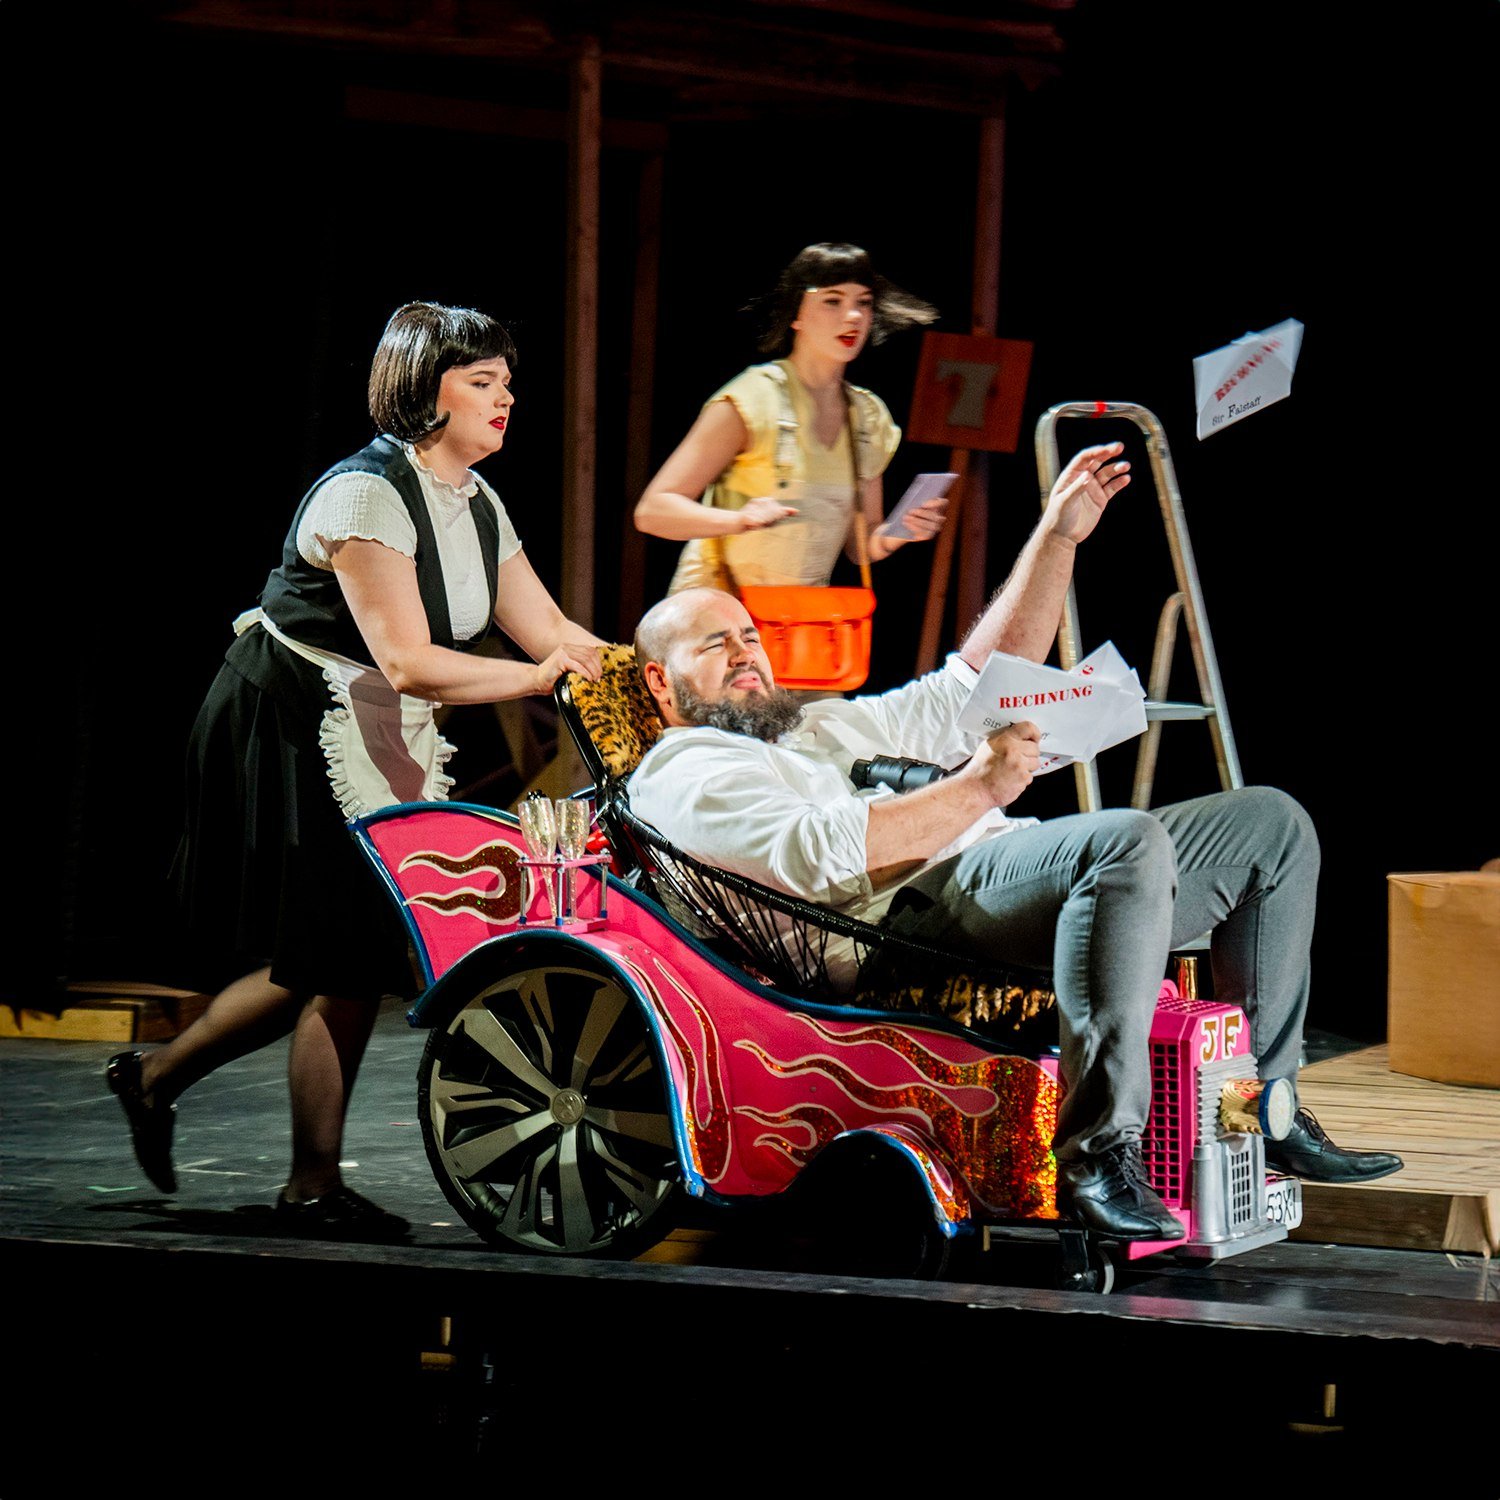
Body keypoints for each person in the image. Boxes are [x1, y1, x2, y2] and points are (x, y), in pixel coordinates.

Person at [628, 440, 1403, 1242]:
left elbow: (969, 680)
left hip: (989, 877)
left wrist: (1056, 537)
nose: (744, 653)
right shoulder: (686, 768)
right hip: (894, 924)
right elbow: (822, 857)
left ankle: (1264, 1107)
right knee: (1122, 841)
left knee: (1270, 825)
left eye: (748, 636)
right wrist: (981, 786)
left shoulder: (818, 724)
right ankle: (1101, 1151)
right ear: (660, 681)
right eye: (713, 644)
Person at [106, 301, 605, 1240]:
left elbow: (552, 631)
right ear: (426, 390)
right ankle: (309, 1187)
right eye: (482, 382)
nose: (506, 399)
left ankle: (155, 1077)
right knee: (341, 950)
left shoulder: (475, 502)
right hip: (290, 719)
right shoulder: (366, 496)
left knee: (328, 954)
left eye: (507, 381)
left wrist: (625, 669)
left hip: (376, 722)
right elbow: (411, 658)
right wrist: (541, 679)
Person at [633, 242, 948, 599]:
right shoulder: (754, 397)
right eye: (833, 300)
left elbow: (860, 547)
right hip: (715, 622)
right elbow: (653, 511)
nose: (854, 316)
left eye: (863, 302)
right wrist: (738, 520)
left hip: (795, 625)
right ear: (797, 313)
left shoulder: (866, 417)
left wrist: (903, 529)